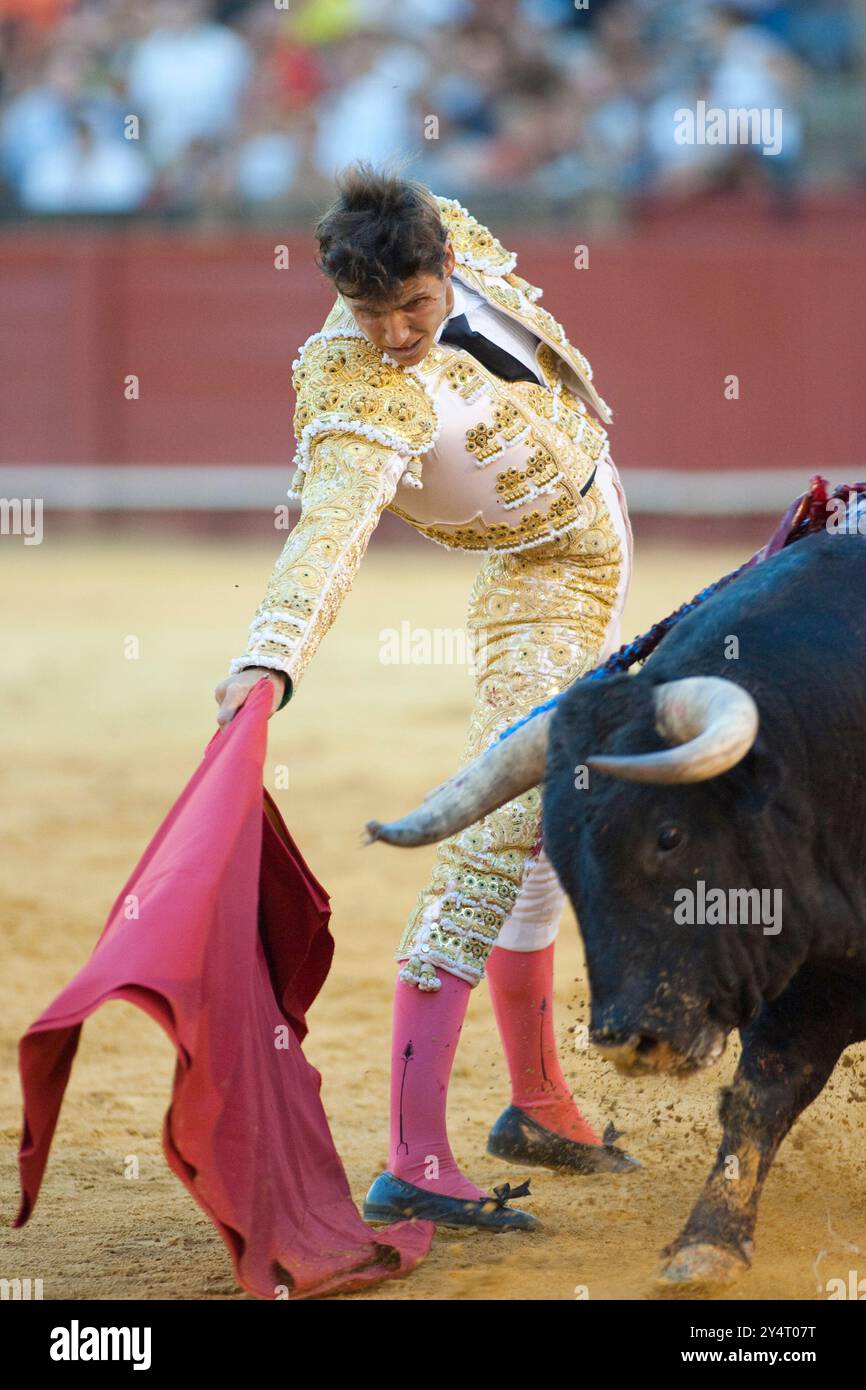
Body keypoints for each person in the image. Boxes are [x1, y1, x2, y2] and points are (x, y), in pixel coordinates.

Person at [214, 163, 637, 1230]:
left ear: (441, 263)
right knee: (498, 823)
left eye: (412, 306)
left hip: (603, 537)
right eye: (370, 313)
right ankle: (412, 1157)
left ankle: (536, 1101)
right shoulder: (352, 384)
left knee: (539, 834)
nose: (396, 333)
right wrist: (272, 657)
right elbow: (329, 530)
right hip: (542, 583)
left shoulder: (448, 230)